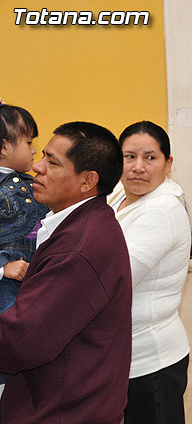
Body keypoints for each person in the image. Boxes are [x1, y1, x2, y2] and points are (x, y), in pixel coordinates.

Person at [0, 121, 132, 424]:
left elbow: (23, 339)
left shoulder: (79, 248)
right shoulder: (80, 224)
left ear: (87, 181)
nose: (36, 166)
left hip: (63, 411)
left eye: (52, 162)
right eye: (43, 155)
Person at [107, 121, 192, 424]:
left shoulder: (162, 210)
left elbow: (115, 278)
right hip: (124, 358)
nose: (138, 168)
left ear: (168, 163)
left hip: (151, 361)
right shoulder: (117, 195)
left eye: (150, 157)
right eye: (129, 157)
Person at [0, 100, 49, 394]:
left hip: (32, 286)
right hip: (6, 289)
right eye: (29, 142)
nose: (34, 150)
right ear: (4, 147)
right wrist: (3, 268)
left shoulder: (34, 183)